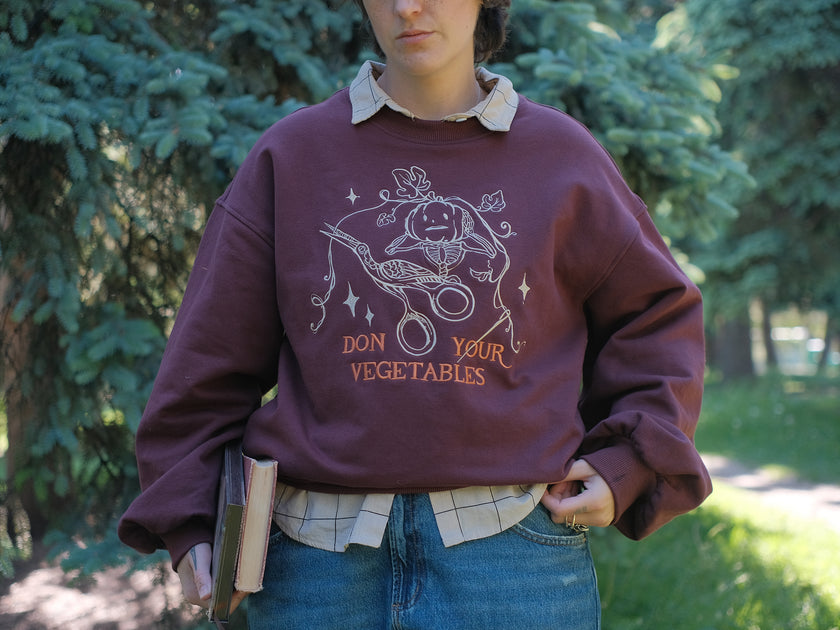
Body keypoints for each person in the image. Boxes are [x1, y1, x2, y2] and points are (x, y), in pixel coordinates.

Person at [118, 1, 712, 628]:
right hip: (317, 573)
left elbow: (657, 315)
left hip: (513, 565)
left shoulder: (563, 158)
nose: (409, 6)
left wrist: (629, 462)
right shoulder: (291, 157)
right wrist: (190, 523)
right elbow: (206, 362)